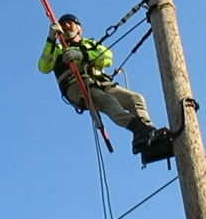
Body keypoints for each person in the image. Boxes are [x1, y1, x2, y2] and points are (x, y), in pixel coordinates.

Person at [38, 13, 156, 153]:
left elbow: (107, 57)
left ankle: (148, 131)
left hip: (101, 82)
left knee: (135, 99)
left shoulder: (91, 44)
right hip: (76, 85)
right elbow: (43, 67)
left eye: (70, 23)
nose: (66, 26)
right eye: (63, 25)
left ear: (79, 29)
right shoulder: (56, 50)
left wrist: (83, 55)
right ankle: (137, 128)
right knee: (105, 100)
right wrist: (50, 39)